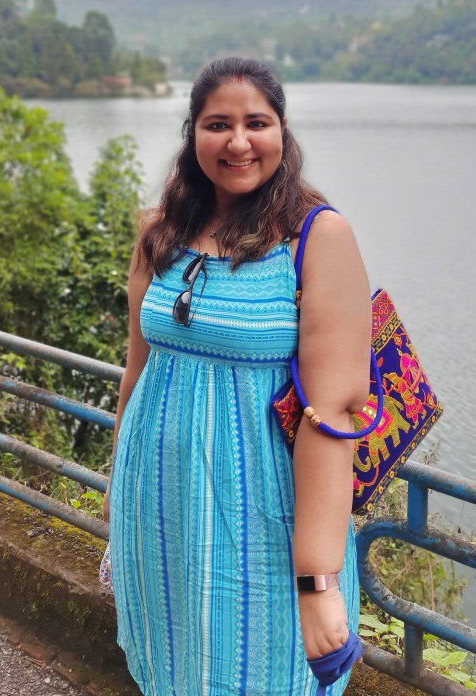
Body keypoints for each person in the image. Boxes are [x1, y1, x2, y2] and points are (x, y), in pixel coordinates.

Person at [104, 56, 371, 696]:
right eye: (218, 124)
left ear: (283, 131)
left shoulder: (316, 237)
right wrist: (117, 485)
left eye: (257, 123)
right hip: (159, 499)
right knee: (173, 658)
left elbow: (334, 412)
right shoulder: (160, 232)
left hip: (264, 509)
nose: (239, 142)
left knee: (264, 664)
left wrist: (318, 580)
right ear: (193, 133)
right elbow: (137, 371)